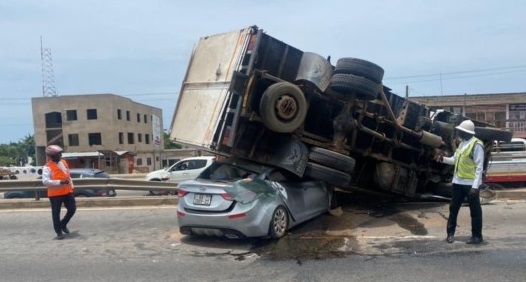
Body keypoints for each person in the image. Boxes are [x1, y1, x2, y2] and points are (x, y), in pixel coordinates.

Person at [436, 119, 484, 244]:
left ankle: (477, 236)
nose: (459, 133)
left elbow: (479, 167)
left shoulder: (477, 145)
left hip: (470, 185)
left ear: (467, 132)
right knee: (453, 209)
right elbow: (454, 160)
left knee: (475, 211)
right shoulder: (462, 144)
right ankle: (450, 234)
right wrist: (443, 159)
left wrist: (475, 187)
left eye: (461, 131)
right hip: (458, 183)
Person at [42, 145, 76, 240]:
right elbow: (45, 181)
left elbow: (68, 176)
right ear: (51, 156)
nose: (60, 155)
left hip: (67, 192)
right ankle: (58, 232)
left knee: (72, 209)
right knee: (56, 213)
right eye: (58, 154)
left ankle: (63, 224)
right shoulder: (47, 167)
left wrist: (72, 187)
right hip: (55, 195)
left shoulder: (64, 162)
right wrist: (60, 182)